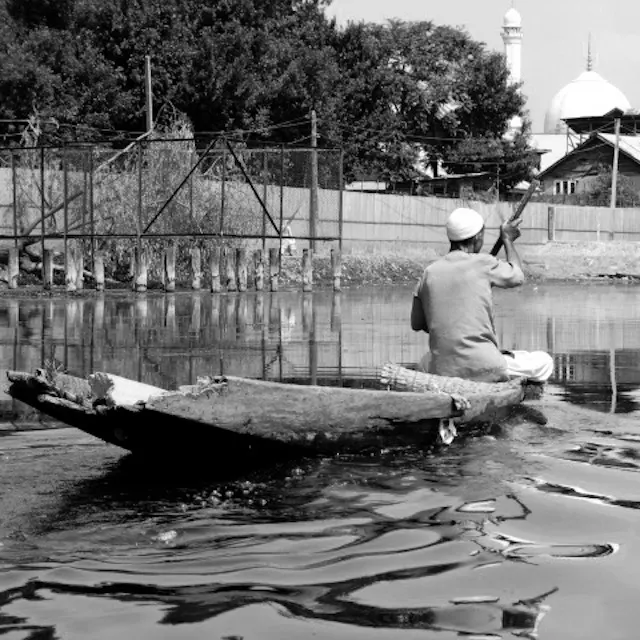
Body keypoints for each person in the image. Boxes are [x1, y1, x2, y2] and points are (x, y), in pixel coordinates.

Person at [411, 207, 553, 383]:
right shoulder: (483, 262)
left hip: (444, 368)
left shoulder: (429, 272)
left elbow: (417, 324)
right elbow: (517, 276)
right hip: (486, 365)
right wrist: (508, 240)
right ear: (478, 237)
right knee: (544, 361)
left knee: (424, 361)